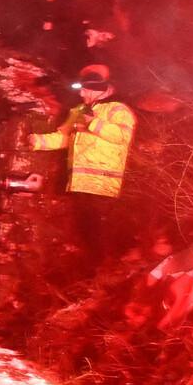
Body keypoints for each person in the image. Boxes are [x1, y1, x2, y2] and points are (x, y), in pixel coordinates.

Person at [29, 62, 139, 259]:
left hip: (104, 182)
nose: (81, 94)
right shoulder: (79, 110)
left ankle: (108, 264)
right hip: (81, 181)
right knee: (87, 228)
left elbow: (123, 136)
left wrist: (93, 123)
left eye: (85, 90)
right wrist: (37, 141)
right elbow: (65, 138)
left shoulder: (117, 109)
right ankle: (95, 264)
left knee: (101, 229)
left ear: (97, 90)